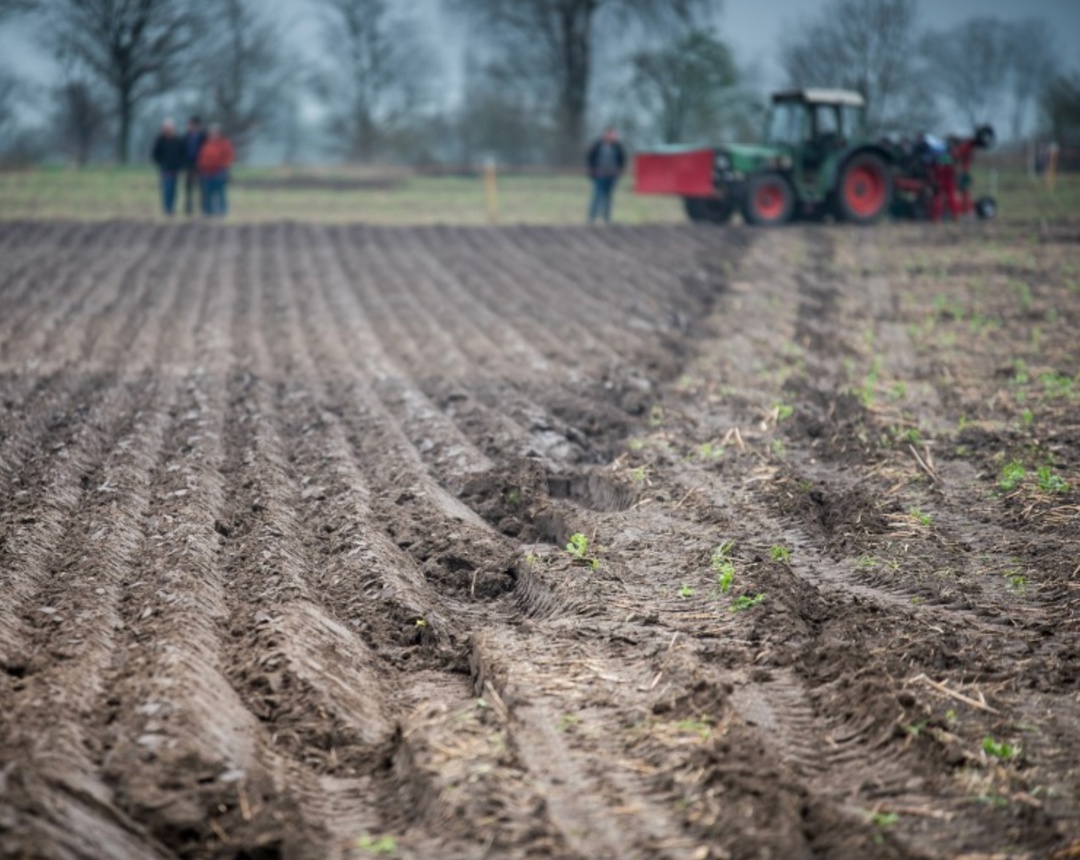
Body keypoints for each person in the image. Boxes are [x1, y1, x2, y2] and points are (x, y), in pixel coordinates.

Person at [586, 127, 627, 224]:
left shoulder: (618, 146)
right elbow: (590, 158)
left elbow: (622, 159)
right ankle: (592, 218)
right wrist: (592, 171)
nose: (612, 136)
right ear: (605, 135)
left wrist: (619, 171)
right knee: (597, 195)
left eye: (613, 135)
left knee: (608, 197)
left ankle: (606, 219)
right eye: (610, 134)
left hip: (612, 175)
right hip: (600, 174)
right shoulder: (597, 145)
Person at [197, 125, 235, 217]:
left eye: (215, 133)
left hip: (219, 172)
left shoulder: (225, 144)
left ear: (219, 133)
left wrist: (223, 166)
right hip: (206, 173)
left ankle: (222, 212)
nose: (213, 135)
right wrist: (202, 167)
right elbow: (201, 158)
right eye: (211, 133)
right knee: (208, 194)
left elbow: (229, 157)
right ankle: (208, 212)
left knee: (220, 193)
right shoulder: (206, 145)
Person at [150, 119, 187, 216]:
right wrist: (160, 163)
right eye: (166, 128)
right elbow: (155, 154)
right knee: (167, 189)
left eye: (169, 128)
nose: (167, 130)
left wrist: (180, 166)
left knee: (174, 190)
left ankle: (172, 208)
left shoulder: (178, 140)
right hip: (165, 169)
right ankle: (167, 209)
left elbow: (182, 154)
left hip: (175, 169)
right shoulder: (160, 140)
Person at [182, 116, 206, 216]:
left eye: (192, 124)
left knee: (202, 189)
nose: (190, 126)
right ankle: (188, 209)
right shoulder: (186, 137)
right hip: (189, 166)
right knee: (188, 189)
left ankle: (203, 209)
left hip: (201, 167)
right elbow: (182, 152)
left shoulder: (204, 137)